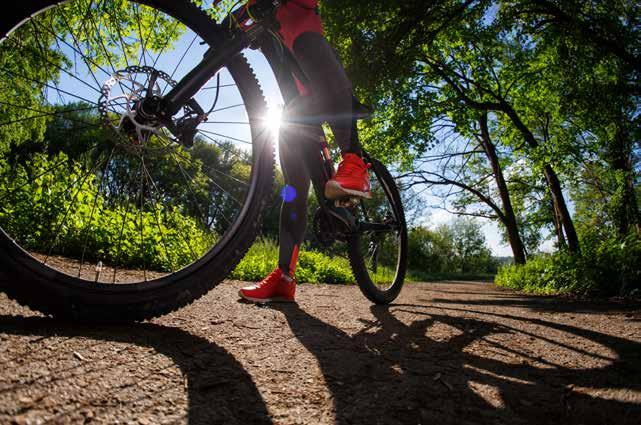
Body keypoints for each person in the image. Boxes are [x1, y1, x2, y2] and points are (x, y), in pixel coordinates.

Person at [237, 0, 370, 303]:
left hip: (323, 84)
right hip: (295, 110)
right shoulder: (258, 17)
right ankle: (284, 277)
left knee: (309, 44)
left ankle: (355, 161)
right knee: (293, 188)